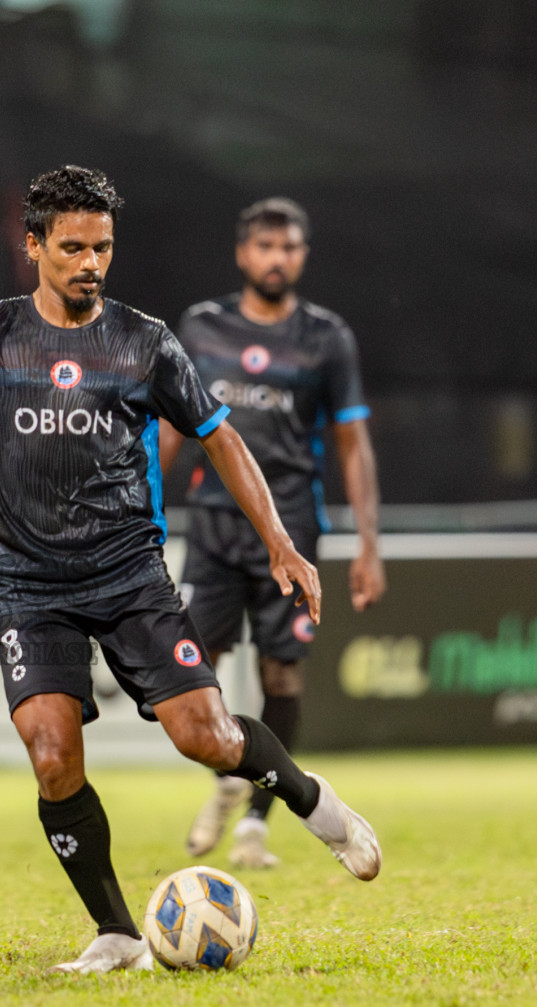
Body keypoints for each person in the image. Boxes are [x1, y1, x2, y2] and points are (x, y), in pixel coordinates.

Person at [0, 167, 380, 974]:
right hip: (29, 585)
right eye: (73, 247)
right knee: (52, 755)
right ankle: (119, 933)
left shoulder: (145, 340)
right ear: (34, 246)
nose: (90, 262)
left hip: (131, 575)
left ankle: (309, 800)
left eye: (103, 248)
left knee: (211, 738)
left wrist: (280, 541)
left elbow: (221, 438)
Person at [160, 197, 386, 870]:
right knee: (192, 668)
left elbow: (353, 442)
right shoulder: (202, 328)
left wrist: (369, 543)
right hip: (214, 528)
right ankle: (233, 768)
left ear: (302, 256)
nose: (276, 258)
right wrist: (139, 502)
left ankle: (256, 821)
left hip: (290, 530)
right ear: (242, 253)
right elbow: (169, 426)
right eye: (265, 246)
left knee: (282, 675)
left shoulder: (327, 337)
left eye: (288, 247)